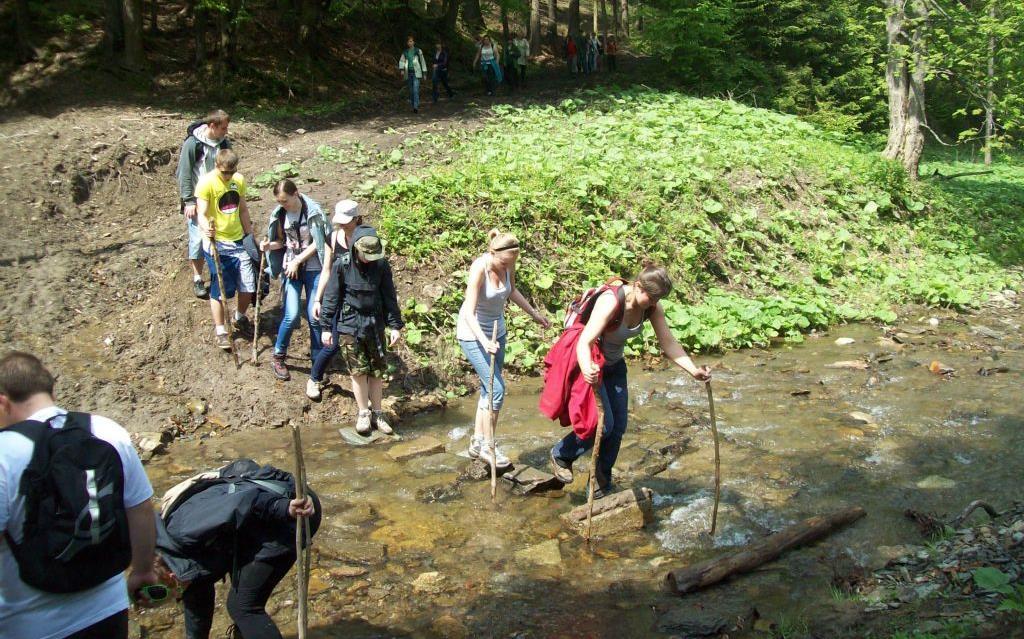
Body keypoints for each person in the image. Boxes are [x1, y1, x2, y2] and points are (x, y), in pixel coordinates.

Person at [0, 352, 157, 639]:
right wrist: (143, 572)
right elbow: (141, 508)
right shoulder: (108, 430)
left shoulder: (4, 452)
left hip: (30, 624)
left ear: (2, 401)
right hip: (108, 611)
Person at [547, 262, 711, 497]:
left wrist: (693, 370)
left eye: (657, 299)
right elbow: (585, 341)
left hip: (615, 366)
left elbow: (668, 342)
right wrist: (587, 369)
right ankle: (562, 454)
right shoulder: (611, 301)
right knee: (603, 425)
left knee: (618, 428)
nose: (653, 304)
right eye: (651, 298)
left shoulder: (652, 307)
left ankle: (600, 483)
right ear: (637, 286)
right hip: (591, 361)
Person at [153, 458, 320, 639]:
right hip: (256, 524)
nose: (177, 597)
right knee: (241, 589)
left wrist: (283, 507)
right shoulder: (182, 569)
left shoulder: (185, 530)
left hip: (293, 509)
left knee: (243, 608)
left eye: (172, 594)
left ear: (171, 578)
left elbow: (242, 502)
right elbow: (197, 607)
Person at [457, 230, 550, 468]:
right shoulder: (480, 267)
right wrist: (483, 340)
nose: (508, 266)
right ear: (492, 253)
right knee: (496, 389)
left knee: (488, 389)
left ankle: (477, 442)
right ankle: (489, 446)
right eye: (504, 262)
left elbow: (512, 291)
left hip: (498, 331)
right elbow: (469, 311)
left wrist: (534, 314)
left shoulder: (508, 263)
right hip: (473, 334)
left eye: (512, 262)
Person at [318, 225, 404, 435]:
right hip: (349, 325)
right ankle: (363, 413)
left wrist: (394, 325)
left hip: (375, 324)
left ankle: (377, 412)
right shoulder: (342, 265)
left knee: (376, 371)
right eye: (366, 255)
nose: (369, 259)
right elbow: (331, 296)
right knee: (358, 372)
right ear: (355, 249)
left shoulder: (382, 266)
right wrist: (326, 327)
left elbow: (389, 296)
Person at [260, 180, 330, 381]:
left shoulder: (313, 211)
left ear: (296, 194)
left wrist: (299, 260)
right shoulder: (280, 214)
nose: (283, 205)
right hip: (291, 268)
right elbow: (281, 242)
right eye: (279, 201)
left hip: (313, 267)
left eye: (285, 201)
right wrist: (268, 246)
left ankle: (318, 362)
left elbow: (319, 242)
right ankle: (278, 356)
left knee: (314, 315)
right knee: (291, 315)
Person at [196, 148, 255, 351]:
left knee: (248, 286)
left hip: (238, 241)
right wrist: (207, 228)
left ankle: (240, 317)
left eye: (231, 172)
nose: (228, 176)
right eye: (224, 173)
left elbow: (244, 209)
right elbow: (201, 213)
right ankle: (221, 330)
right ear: (217, 166)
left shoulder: (238, 180)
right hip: (217, 243)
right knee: (221, 290)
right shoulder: (206, 182)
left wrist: (249, 236)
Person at [307, 199, 363, 400]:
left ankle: (364, 388)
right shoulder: (332, 238)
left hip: (358, 299)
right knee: (331, 343)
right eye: (340, 221)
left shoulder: (364, 239)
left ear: (357, 219)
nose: (342, 225)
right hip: (335, 298)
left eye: (347, 221)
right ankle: (314, 378)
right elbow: (326, 270)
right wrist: (317, 299)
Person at [177, 110, 231, 299]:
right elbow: (184, 173)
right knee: (198, 240)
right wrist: (188, 200)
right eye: (223, 128)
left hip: (219, 199)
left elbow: (229, 168)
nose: (226, 131)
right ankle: (198, 278)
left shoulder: (224, 143)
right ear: (212, 126)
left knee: (220, 235)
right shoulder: (193, 144)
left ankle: (219, 274)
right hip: (197, 200)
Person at [398, 35, 428, 114]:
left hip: (416, 73)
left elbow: (422, 61)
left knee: (415, 90)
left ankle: (415, 106)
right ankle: (413, 105)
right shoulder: (405, 52)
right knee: (411, 91)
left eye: (411, 41)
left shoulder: (418, 51)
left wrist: (424, 72)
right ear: (407, 43)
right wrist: (402, 69)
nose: (410, 43)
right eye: (408, 41)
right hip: (409, 73)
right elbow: (402, 61)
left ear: (414, 42)